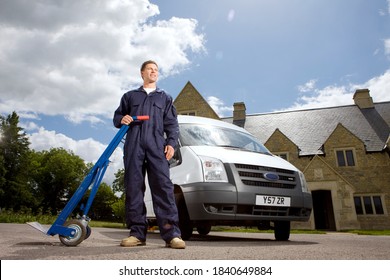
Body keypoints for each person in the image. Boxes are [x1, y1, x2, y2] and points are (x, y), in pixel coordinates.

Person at [113, 60, 185, 249]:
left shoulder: (165, 98)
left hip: (156, 146)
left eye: (156, 70)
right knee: (134, 188)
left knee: (163, 188)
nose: (154, 72)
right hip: (134, 146)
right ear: (142, 73)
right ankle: (137, 234)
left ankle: (172, 235)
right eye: (150, 69)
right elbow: (117, 117)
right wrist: (123, 118)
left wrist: (171, 143)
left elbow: (172, 125)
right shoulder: (129, 96)